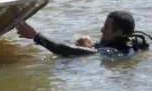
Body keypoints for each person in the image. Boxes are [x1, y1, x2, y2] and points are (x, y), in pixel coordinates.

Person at [16, 11, 150, 57]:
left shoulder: (112, 52)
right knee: (83, 40)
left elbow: (64, 49)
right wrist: (90, 45)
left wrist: (35, 35)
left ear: (120, 32)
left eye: (106, 28)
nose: (101, 30)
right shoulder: (135, 43)